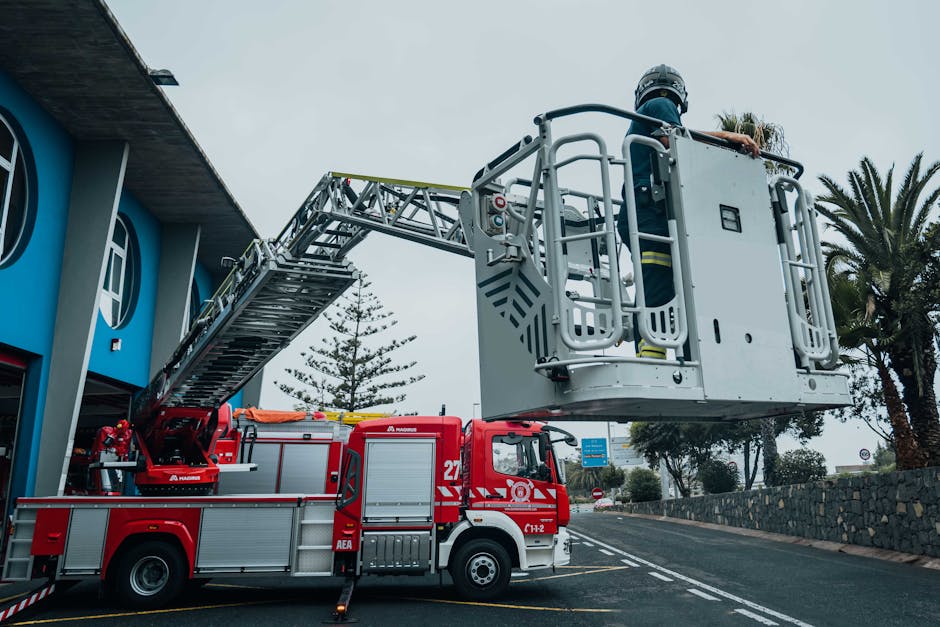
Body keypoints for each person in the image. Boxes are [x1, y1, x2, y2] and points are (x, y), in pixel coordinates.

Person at [619, 64, 759, 358]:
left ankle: (671, 354)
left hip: (649, 214)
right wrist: (727, 137)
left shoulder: (649, 110)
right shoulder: (660, 104)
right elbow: (675, 140)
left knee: (666, 286)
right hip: (649, 216)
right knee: (656, 285)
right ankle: (650, 359)